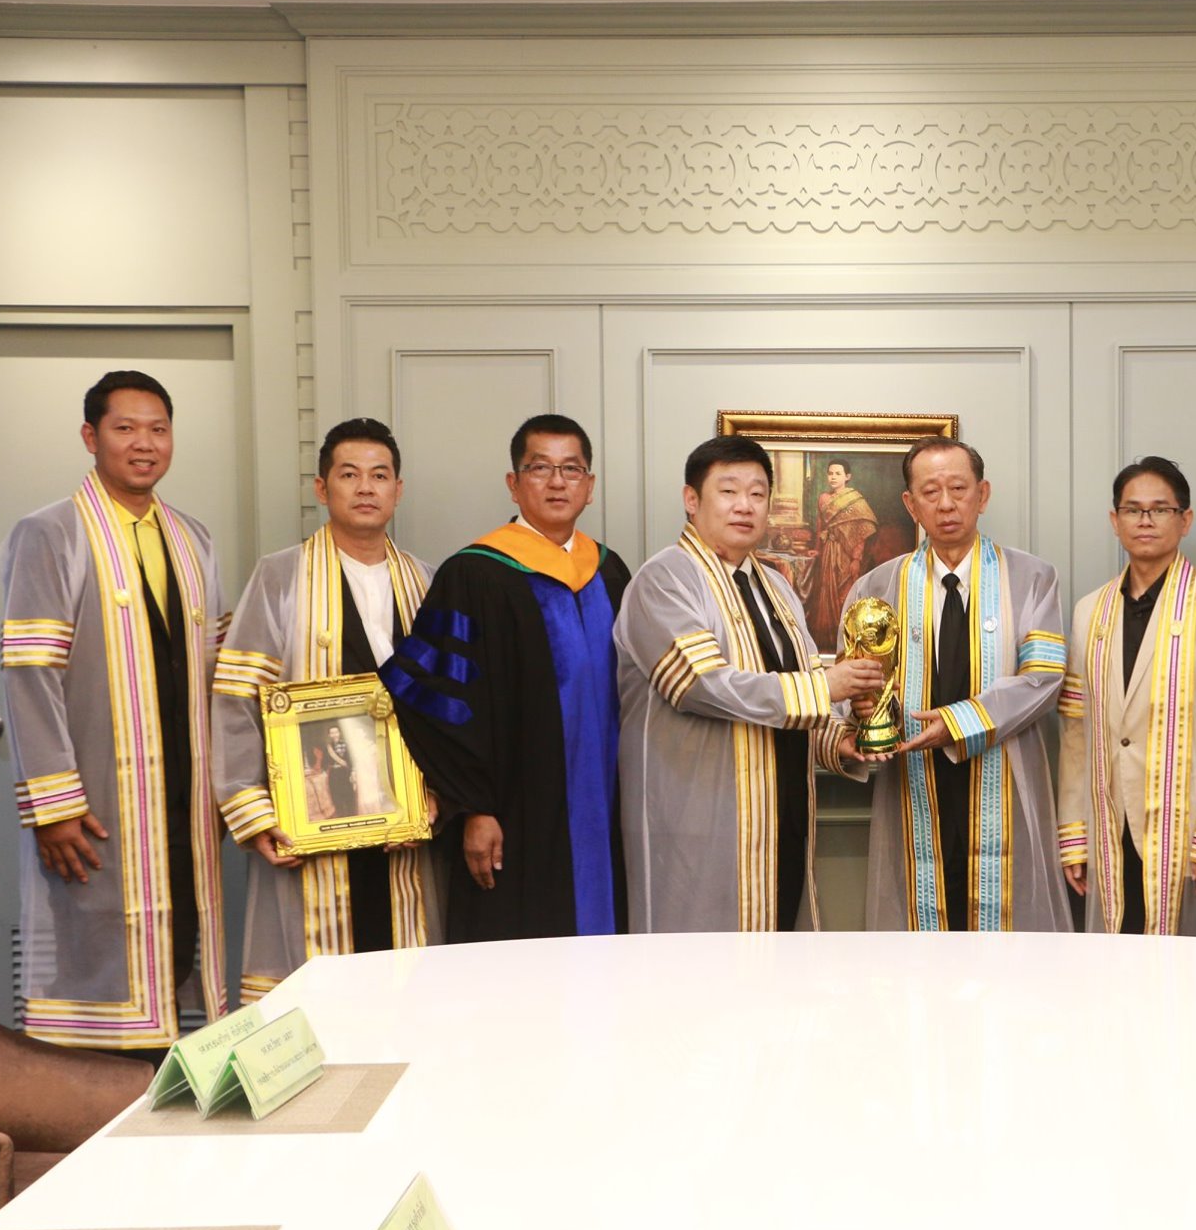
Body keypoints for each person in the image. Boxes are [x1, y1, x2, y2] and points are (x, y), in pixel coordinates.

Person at [0, 370, 225, 1050]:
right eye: (125, 428)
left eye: (158, 429)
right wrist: (53, 803)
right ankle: (95, 1100)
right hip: (98, 795)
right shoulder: (51, 533)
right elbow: (31, 670)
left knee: (177, 943)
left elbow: (211, 661)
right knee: (98, 960)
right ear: (90, 436)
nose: (144, 443)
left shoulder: (192, 537)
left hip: (182, 790)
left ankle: (163, 1085)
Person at [213, 417, 439, 1001]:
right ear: (322, 487)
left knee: (402, 980)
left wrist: (435, 798)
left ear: (398, 489)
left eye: (379, 476)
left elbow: (450, 706)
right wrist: (253, 809)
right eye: (349, 474)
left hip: (403, 823)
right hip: (312, 819)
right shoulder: (280, 577)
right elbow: (238, 698)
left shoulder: (425, 582)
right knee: (320, 992)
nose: (365, 488)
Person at [617, 435, 879, 932]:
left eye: (757, 494)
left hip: (783, 813)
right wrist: (826, 688)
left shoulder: (776, 586)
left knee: (777, 956)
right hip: (699, 819)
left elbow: (803, 681)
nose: (745, 506)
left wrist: (839, 740)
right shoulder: (664, 579)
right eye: (728, 491)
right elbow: (700, 684)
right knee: (700, 959)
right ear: (691, 499)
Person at [383, 414, 629, 940]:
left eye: (571, 469)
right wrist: (474, 808)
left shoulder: (610, 573)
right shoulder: (473, 574)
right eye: (540, 468)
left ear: (590, 486)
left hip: (607, 809)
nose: (557, 482)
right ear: (514, 484)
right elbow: (440, 706)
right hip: (515, 817)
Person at [843, 438, 1069, 932]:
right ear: (910, 504)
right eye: (930, 492)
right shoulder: (875, 587)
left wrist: (958, 722)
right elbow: (853, 685)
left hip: (1004, 776)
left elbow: (1044, 678)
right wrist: (862, 712)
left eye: (958, 489)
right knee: (916, 935)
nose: (945, 504)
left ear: (982, 494)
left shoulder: (1033, 578)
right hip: (910, 778)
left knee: (1008, 942)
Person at [1059, 458, 1196, 935]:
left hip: (1187, 826)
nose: (1145, 521)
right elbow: (1075, 732)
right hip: (1109, 822)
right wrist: (1074, 833)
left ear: (1184, 520)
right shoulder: (1090, 611)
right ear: (1115, 521)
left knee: (1188, 961)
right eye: (1133, 510)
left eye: (1160, 509)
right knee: (1116, 955)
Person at [806, 458, 880, 650]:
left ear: (847, 477)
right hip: (828, 552)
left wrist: (856, 559)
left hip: (848, 554)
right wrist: (818, 548)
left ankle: (847, 641)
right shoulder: (823, 498)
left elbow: (862, 531)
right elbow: (821, 526)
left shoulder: (854, 500)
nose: (833, 477)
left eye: (837, 474)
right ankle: (827, 642)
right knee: (825, 592)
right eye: (830, 473)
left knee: (845, 594)